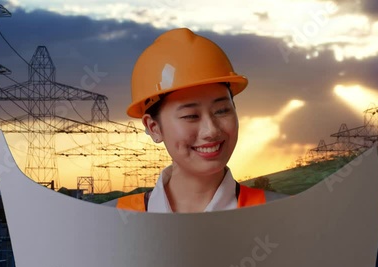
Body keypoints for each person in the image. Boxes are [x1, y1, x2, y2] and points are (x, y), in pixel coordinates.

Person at [104, 28, 287, 213]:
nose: (211, 131)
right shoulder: (112, 219)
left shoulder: (281, 213)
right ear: (154, 128)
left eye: (222, 110)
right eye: (191, 116)